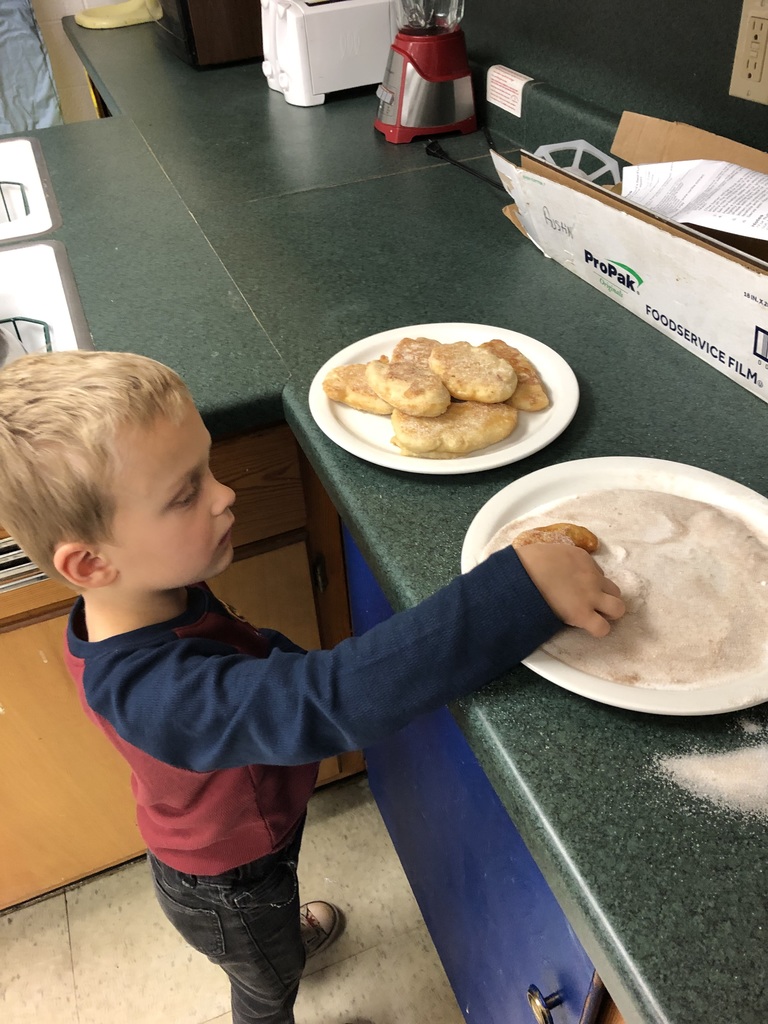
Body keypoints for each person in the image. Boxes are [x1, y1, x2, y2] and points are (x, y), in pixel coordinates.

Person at [0, 350, 625, 1024]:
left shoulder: (137, 593)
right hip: (229, 887)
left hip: (250, 843)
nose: (224, 494)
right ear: (90, 563)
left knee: (270, 933)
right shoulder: (151, 694)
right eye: (186, 493)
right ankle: (276, 960)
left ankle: (279, 940)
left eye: (207, 467)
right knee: (266, 989)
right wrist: (519, 591)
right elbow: (330, 702)